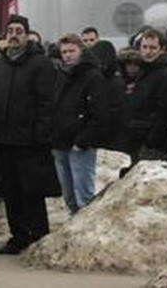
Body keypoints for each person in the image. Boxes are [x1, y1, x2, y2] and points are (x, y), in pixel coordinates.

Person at [0, 14, 57, 255]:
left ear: (27, 35)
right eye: (11, 31)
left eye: (19, 31)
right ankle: (18, 236)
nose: (14, 35)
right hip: (4, 140)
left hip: (30, 142)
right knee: (11, 193)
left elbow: (47, 103)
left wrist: (40, 134)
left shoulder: (40, 64)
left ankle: (39, 236)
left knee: (32, 192)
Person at [50, 34, 108, 214]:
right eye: (64, 52)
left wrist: (83, 140)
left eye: (71, 51)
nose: (68, 55)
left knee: (83, 195)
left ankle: (86, 232)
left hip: (80, 144)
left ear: (81, 51)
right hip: (60, 142)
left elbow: (99, 112)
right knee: (68, 195)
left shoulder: (92, 76)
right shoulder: (60, 75)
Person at [124, 29, 167, 164]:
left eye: (153, 47)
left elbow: (165, 111)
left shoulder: (165, 74)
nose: (148, 51)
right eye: (145, 47)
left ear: (162, 49)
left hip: (152, 144)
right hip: (136, 139)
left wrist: (152, 140)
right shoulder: (143, 71)